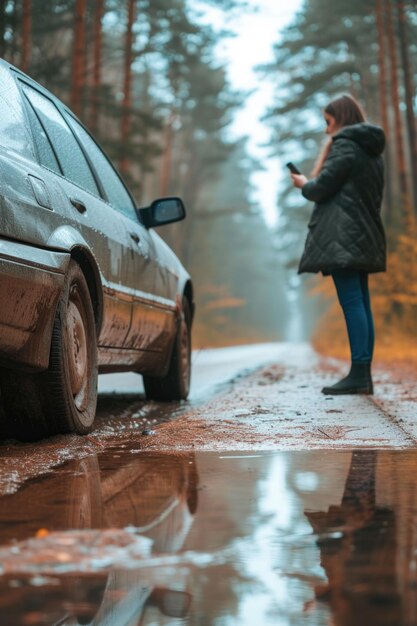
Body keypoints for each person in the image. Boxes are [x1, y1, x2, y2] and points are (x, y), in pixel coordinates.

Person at [291, 94, 386, 395]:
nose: (325, 129)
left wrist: (303, 183)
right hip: (365, 234)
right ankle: (362, 373)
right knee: (361, 303)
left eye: (327, 121)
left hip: (344, 237)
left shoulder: (346, 146)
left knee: (353, 303)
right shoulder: (371, 151)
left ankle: (359, 375)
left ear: (341, 118)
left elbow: (321, 188)